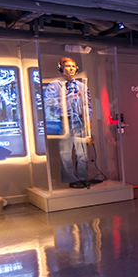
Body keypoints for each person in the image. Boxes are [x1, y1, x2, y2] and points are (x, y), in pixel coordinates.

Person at [46, 57, 92, 188]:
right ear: (61, 68)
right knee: (65, 152)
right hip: (64, 122)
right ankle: (71, 179)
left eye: (73, 66)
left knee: (82, 152)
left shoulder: (82, 86)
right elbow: (50, 105)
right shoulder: (54, 85)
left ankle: (83, 177)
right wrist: (68, 98)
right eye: (67, 66)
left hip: (79, 122)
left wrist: (89, 121)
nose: (71, 69)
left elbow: (87, 105)